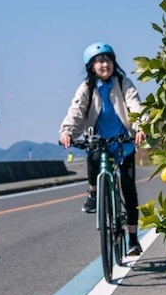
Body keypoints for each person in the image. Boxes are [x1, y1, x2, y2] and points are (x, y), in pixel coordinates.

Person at [59, 42, 147, 255]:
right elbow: (76, 109)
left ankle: (133, 239)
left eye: (107, 60)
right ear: (91, 66)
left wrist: (141, 127)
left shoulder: (123, 82)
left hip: (123, 142)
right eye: (99, 61)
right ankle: (93, 192)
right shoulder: (87, 87)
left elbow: (135, 105)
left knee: (128, 188)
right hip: (99, 141)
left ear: (113, 62)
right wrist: (67, 131)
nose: (104, 64)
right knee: (93, 156)